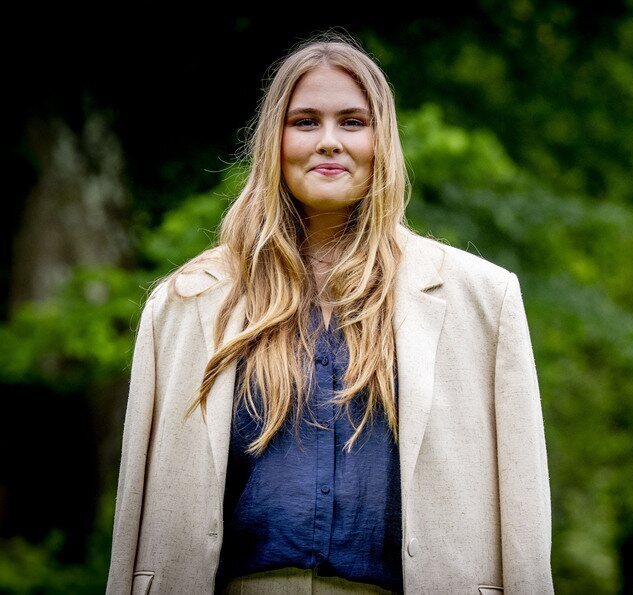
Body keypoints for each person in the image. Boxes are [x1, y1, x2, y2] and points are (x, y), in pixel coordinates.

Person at [105, 30, 554, 595]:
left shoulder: (483, 300)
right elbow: (138, 515)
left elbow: (524, 508)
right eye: (305, 122)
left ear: (381, 139)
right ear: (276, 140)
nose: (329, 142)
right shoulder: (185, 300)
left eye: (353, 122)